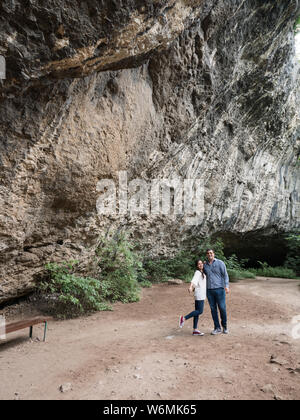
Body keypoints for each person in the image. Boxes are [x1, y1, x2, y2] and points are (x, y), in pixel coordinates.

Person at [204, 248, 230, 335]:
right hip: (209, 291)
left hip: (219, 289)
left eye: (211, 253)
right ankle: (217, 327)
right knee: (213, 309)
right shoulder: (205, 265)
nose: (209, 254)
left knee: (222, 308)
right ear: (206, 255)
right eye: (208, 253)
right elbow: (201, 274)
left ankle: (225, 326)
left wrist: (226, 286)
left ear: (214, 254)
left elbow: (225, 275)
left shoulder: (220, 263)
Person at [179, 259, 206, 336]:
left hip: (201, 294)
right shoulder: (197, 272)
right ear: (197, 266)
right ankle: (183, 318)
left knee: (196, 312)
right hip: (199, 294)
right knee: (200, 311)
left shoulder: (202, 272)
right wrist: (190, 287)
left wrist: (205, 263)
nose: (201, 265)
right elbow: (193, 281)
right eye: (199, 264)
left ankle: (195, 330)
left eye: (201, 263)